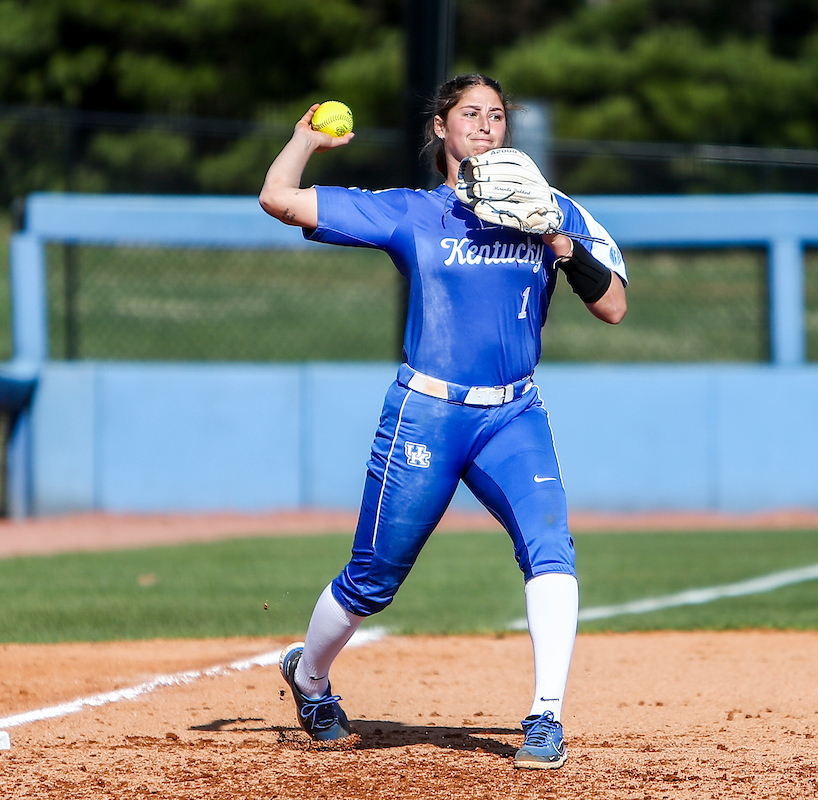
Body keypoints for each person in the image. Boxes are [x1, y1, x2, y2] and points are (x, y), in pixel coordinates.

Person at [258, 73, 627, 770]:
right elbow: (277, 198)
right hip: (427, 412)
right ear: (440, 128)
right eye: (470, 114)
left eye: (496, 115)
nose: (486, 125)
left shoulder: (551, 206)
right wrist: (305, 140)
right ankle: (309, 679)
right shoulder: (414, 213)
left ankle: (545, 717)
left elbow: (612, 306)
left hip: (514, 413)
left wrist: (559, 241)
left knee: (551, 546)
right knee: (374, 579)